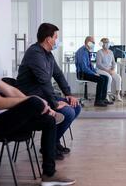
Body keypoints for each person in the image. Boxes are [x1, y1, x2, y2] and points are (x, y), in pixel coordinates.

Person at [0, 27, 76, 185]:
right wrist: (35, 101)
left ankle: (49, 174)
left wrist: (36, 102)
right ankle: (46, 110)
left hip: (2, 119)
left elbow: (10, 90)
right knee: (34, 101)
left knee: (48, 121)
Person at [16, 23, 81, 160]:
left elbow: (58, 74)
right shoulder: (34, 53)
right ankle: (47, 147)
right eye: (56, 37)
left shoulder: (48, 54)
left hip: (43, 94)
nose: (57, 40)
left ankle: (53, 142)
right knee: (67, 111)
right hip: (31, 99)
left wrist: (68, 94)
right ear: (48, 39)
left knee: (75, 106)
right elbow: (44, 81)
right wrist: (56, 104)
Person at [75, 36, 113, 107]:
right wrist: (94, 74)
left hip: (87, 72)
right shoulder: (82, 51)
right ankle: (98, 101)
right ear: (87, 42)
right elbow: (84, 68)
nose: (94, 44)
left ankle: (103, 99)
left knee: (106, 78)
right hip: (82, 74)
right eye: (92, 42)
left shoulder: (87, 51)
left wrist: (95, 72)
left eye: (94, 42)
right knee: (101, 79)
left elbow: (90, 66)